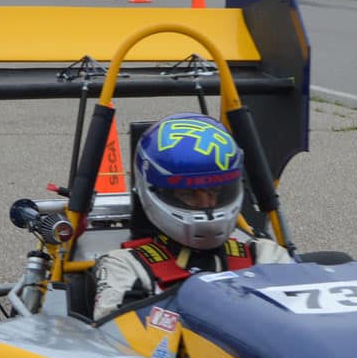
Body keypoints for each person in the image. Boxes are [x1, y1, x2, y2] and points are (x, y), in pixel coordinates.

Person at [90, 114, 291, 320]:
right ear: (155, 192)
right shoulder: (126, 266)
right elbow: (116, 338)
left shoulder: (264, 255)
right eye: (188, 194)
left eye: (214, 191)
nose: (206, 204)